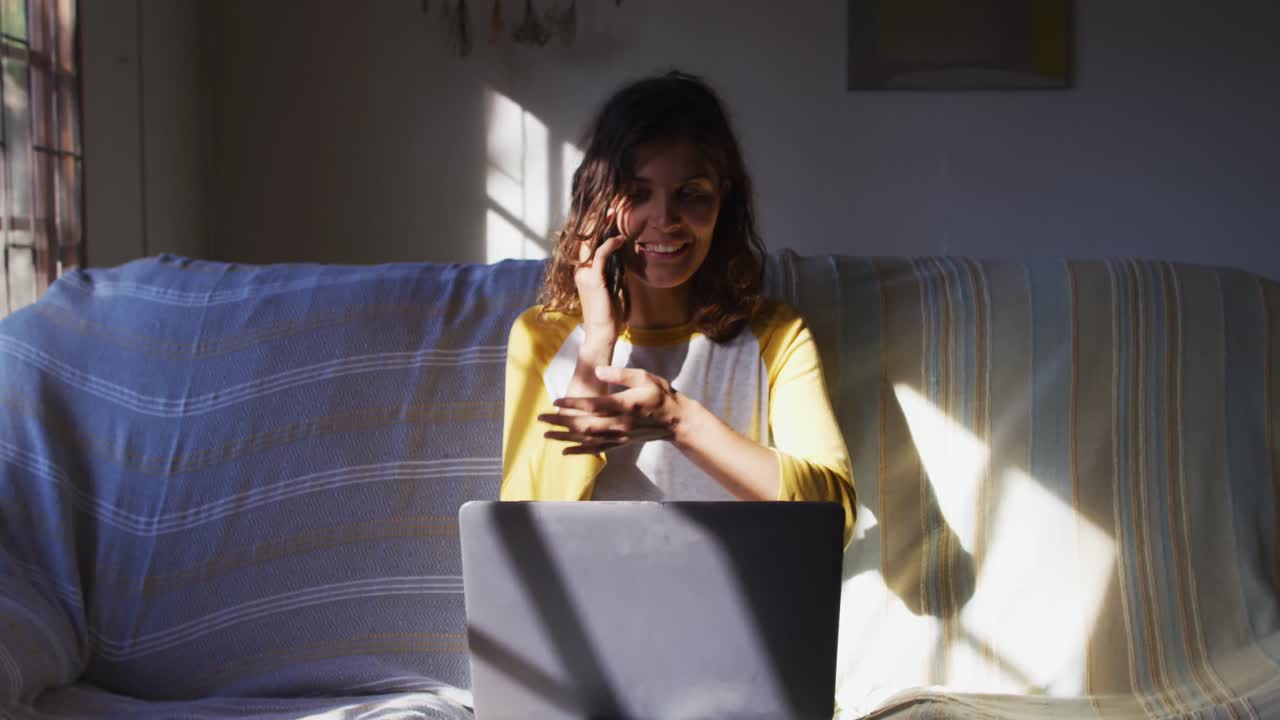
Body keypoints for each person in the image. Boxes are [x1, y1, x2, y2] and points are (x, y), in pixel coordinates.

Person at [500, 70, 856, 545]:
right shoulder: (540, 336)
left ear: (722, 198)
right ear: (600, 202)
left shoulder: (777, 335)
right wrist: (597, 341)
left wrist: (678, 420)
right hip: (593, 593)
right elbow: (521, 540)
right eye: (638, 193)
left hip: (736, 593)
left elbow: (834, 518)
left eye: (691, 194)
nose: (665, 220)